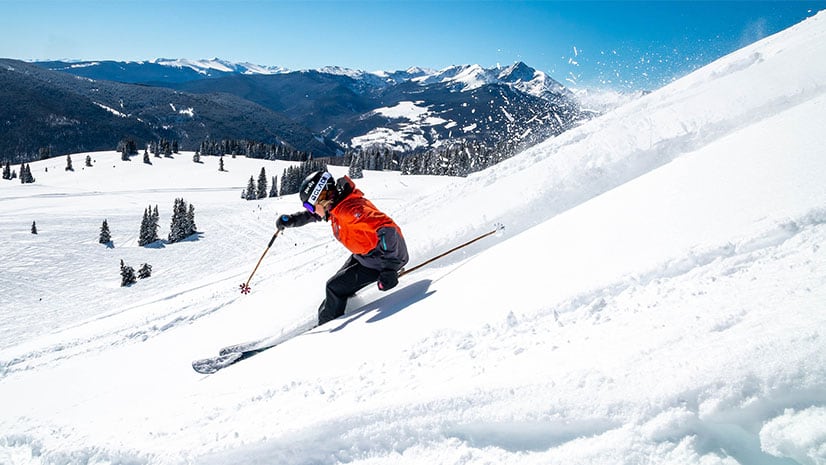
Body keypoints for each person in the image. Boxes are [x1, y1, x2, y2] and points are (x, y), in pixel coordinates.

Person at [276, 171, 409, 326]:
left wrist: (389, 268)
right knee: (334, 287)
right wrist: (292, 220)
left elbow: (387, 229)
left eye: (310, 206)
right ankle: (329, 318)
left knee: (334, 288)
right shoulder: (337, 205)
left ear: (322, 198)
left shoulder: (349, 211)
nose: (311, 210)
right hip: (366, 256)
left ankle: (328, 327)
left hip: (381, 259)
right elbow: (314, 215)